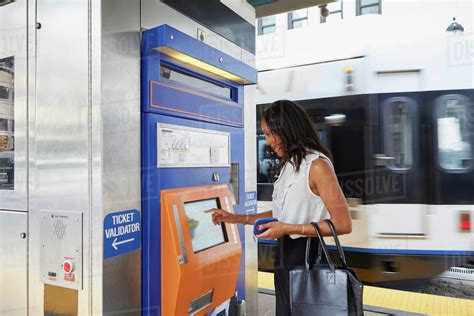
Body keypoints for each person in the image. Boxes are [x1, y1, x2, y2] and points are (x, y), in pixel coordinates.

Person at [207, 100, 352, 316]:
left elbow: (343, 224)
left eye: (269, 133)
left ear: (286, 128)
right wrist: (234, 218)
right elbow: (280, 215)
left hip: (306, 259)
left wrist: (289, 229)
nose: (267, 141)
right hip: (285, 260)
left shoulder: (318, 166)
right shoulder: (289, 166)